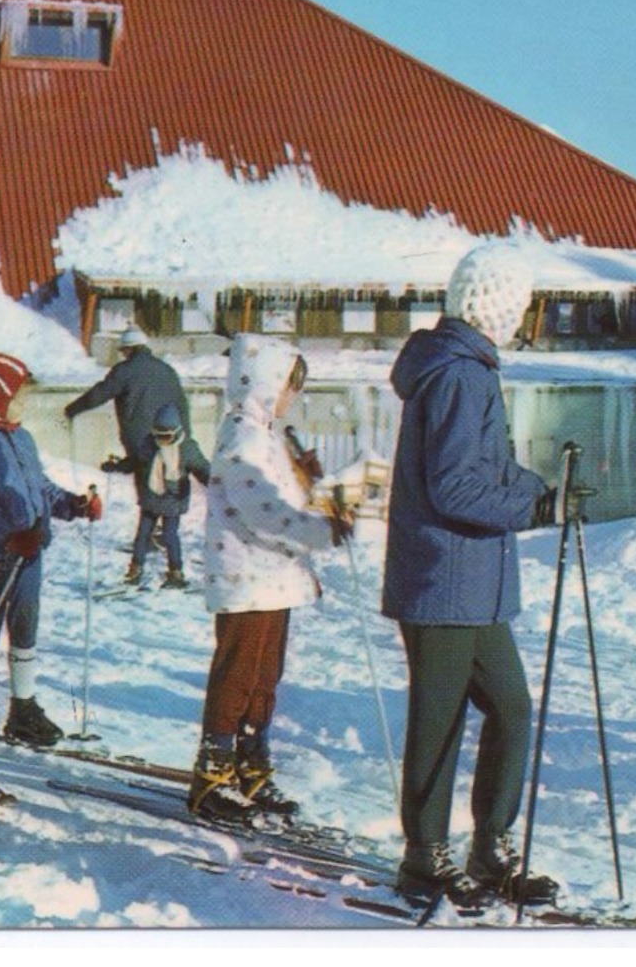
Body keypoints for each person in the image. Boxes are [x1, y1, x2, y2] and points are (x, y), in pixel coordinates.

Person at [381, 243, 560, 910]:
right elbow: (456, 486)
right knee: (440, 721)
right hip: (441, 581)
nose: (521, 313)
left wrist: (546, 490)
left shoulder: (469, 367)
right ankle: (423, 854)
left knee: (510, 708)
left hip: (474, 585)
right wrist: (532, 508)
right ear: (496, 303)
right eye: (518, 302)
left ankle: (489, 845)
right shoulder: (458, 374)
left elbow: (485, 468)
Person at [189, 334, 352, 822]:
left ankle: (248, 762)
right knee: (238, 674)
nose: (292, 398)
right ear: (263, 385)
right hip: (246, 577)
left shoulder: (268, 435)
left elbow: (285, 499)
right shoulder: (242, 436)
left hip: (273, 578)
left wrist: (307, 482)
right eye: (287, 386)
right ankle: (213, 771)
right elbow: (263, 511)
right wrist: (318, 531)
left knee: (264, 678)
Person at [0, 352, 98, 758]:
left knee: (25, 624)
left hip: (30, 547)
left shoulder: (20, 436)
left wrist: (72, 505)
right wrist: (10, 537)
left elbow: (39, 486)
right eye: (18, 397)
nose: (24, 405)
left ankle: (22, 707)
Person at [63, 327, 189, 472]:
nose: (123, 355)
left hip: (140, 444)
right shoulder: (167, 370)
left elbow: (100, 394)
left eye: (123, 351)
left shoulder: (125, 370)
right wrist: (185, 441)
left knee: (148, 480)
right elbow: (182, 406)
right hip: (171, 441)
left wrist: (72, 409)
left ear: (129, 349)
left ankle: (132, 465)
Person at [122, 402, 210, 589]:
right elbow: (136, 460)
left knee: (170, 536)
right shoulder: (148, 443)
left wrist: (213, 482)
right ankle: (135, 568)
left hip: (173, 498)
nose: (162, 441)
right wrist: (118, 466)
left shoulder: (187, 448)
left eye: (166, 437)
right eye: (158, 437)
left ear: (176, 432)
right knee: (143, 534)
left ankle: (175, 572)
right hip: (151, 496)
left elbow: (201, 468)